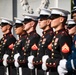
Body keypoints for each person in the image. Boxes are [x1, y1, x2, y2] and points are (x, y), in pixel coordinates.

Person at [42, 8, 72, 75]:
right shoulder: (56, 35)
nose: (50, 20)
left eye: (53, 18)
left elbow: (65, 60)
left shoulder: (63, 36)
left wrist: (48, 62)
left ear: (61, 19)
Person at [27, 8, 54, 75]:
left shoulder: (51, 36)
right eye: (39, 19)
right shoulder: (43, 36)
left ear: (48, 22)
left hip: (48, 70)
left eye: (41, 20)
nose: (39, 21)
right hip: (40, 70)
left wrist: (34, 61)